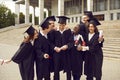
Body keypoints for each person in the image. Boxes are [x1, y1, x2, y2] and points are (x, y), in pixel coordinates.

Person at [48, 16, 73, 80]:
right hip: (57, 53)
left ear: (65, 24)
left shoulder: (68, 31)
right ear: (58, 24)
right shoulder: (54, 31)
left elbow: (71, 42)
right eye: (60, 25)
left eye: (63, 25)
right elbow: (50, 42)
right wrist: (55, 47)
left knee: (68, 69)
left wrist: (67, 46)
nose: (61, 26)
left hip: (66, 53)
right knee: (56, 69)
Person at [34, 16, 56, 80]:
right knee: (40, 77)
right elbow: (37, 49)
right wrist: (43, 55)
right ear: (45, 28)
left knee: (47, 77)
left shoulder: (48, 35)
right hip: (41, 61)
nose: (51, 28)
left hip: (48, 61)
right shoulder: (38, 37)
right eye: (50, 27)